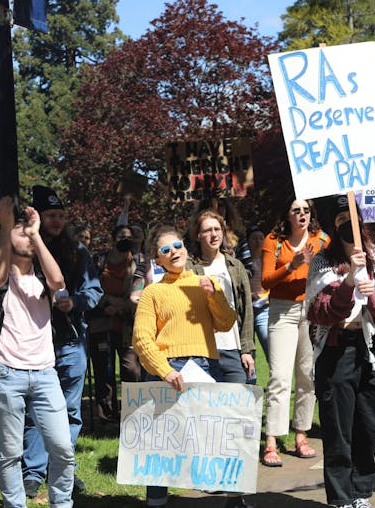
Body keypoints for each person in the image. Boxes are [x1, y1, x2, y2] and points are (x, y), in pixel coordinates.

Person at [0, 197, 74, 508]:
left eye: (27, 231)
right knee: (9, 453)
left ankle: (62, 503)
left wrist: (35, 234)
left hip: (46, 374)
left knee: (62, 447)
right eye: (19, 231)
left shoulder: (44, 280)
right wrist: (6, 226)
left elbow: (59, 281)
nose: (24, 232)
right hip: (4, 374)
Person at [132, 225, 237, 507]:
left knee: (214, 438)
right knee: (160, 444)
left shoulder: (206, 283)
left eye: (177, 245)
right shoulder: (152, 292)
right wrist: (163, 370)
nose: (173, 252)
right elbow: (141, 339)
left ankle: (228, 496)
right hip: (169, 370)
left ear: (186, 248)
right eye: (165, 250)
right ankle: (157, 501)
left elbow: (227, 322)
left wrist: (213, 295)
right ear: (158, 260)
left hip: (206, 366)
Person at [307, 194, 375, 508]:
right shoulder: (323, 262)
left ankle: (361, 492)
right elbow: (320, 311)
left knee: (368, 425)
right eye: (340, 220)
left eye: (351, 217)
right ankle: (340, 496)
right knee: (338, 428)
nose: (348, 224)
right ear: (334, 228)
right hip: (337, 352)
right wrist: (348, 281)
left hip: (373, 351)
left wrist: (371, 294)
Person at [22, 186, 103, 498]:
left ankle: (63, 469)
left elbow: (93, 292)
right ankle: (32, 471)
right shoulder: (24, 249)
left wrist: (76, 302)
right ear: (38, 218)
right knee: (34, 409)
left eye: (60, 215)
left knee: (70, 410)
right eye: (50, 215)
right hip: (34, 343)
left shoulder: (77, 251)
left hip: (70, 343)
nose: (56, 221)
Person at [260, 197, 329, 467]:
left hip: (311, 311)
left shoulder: (322, 240)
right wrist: (292, 265)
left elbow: (335, 268)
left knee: (307, 375)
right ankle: (272, 441)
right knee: (279, 378)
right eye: (296, 210)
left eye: (306, 210)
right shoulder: (274, 241)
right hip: (282, 311)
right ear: (287, 215)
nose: (302, 214)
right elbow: (266, 280)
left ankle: (301, 434)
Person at [188, 209, 255, 385]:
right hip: (202, 348)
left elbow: (246, 309)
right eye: (207, 230)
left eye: (217, 229)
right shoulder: (189, 267)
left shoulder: (235, 266)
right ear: (197, 236)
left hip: (232, 346)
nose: (213, 234)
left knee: (237, 401)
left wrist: (247, 350)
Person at [87, 224, 143, 423]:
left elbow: (141, 288)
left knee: (130, 368)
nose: (125, 239)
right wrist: (106, 303)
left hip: (128, 324)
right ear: (113, 239)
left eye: (128, 236)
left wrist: (122, 306)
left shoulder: (139, 261)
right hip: (101, 322)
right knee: (104, 370)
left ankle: (133, 413)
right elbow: (90, 286)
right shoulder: (99, 261)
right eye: (121, 236)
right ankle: (107, 415)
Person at [246, 225, 269, 359]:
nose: (258, 241)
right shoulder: (243, 262)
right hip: (248, 310)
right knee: (249, 352)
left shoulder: (268, 260)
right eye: (254, 238)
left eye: (261, 238)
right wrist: (249, 295)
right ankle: (250, 380)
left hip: (265, 307)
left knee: (270, 345)